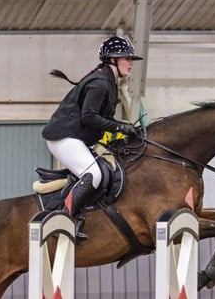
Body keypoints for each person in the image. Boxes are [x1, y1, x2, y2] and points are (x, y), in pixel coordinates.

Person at [42, 35, 143, 240]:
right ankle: (63, 219)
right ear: (112, 60)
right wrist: (120, 127)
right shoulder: (100, 83)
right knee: (93, 175)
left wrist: (122, 132)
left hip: (78, 137)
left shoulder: (110, 81)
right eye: (126, 58)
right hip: (64, 138)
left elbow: (101, 117)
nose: (131, 63)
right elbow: (89, 117)